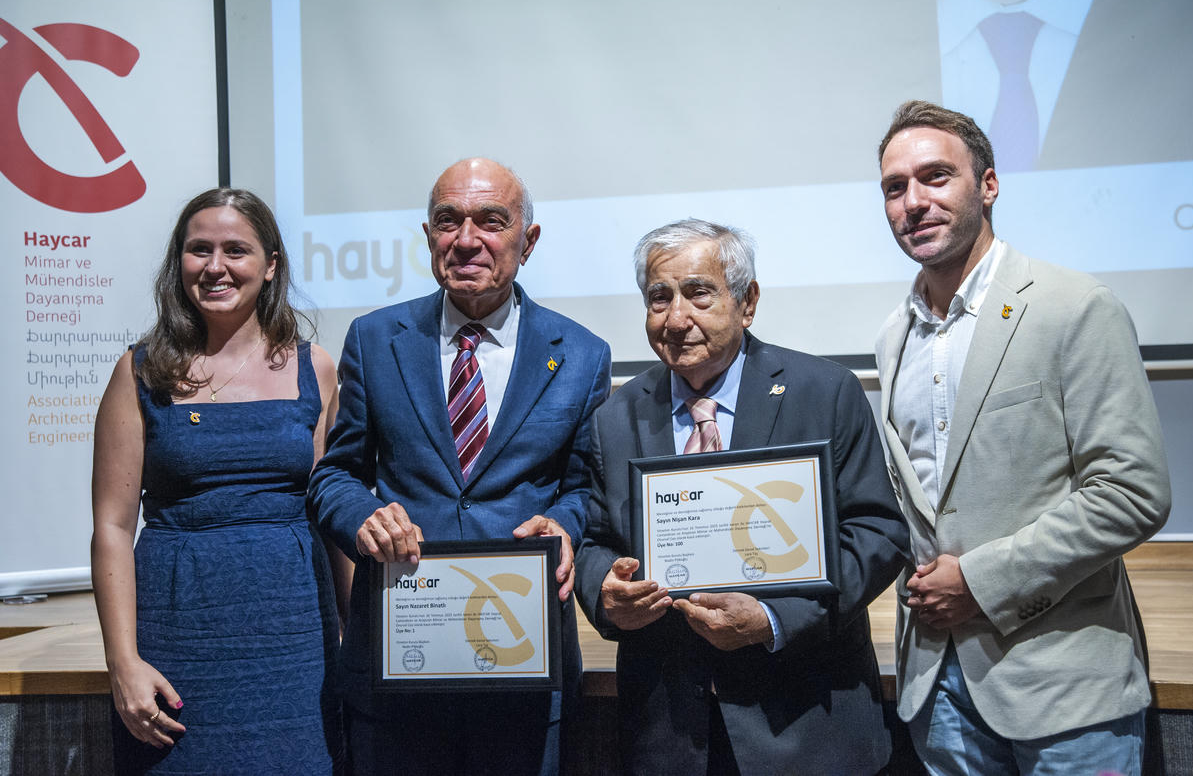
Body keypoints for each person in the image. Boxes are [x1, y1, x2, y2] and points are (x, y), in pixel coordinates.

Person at [874, 100, 1171, 775]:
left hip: (1063, 690)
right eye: (896, 187)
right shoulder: (892, 338)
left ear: (988, 184)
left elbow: (1133, 491)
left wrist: (978, 581)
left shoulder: (1072, 306)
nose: (914, 202)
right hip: (936, 687)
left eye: (936, 177)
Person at [309, 157, 612, 775]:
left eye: (491, 221)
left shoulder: (581, 354)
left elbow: (587, 487)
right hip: (401, 658)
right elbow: (333, 476)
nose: (466, 239)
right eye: (448, 221)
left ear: (528, 241)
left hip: (525, 662)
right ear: (428, 238)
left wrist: (566, 525)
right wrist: (364, 517)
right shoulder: (375, 340)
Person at [574, 219, 909, 774]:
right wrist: (606, 593)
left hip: (805, 727)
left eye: (698, 293)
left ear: (747, 302)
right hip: (670, 735)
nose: (676, 318)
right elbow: (593, 542)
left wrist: (774, 619)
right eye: (659, 298)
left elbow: (877, 533)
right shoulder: (616, 417)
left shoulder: (824, 393)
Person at [91, 188, 345, 773]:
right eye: (198, 250)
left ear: (271, 264)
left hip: (295, 635)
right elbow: (111, 525)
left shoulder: (317, 367)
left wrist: (357, 637)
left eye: (236, 250)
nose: (215, 267)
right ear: (178, 262)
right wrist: (123, 662)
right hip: (178, 633)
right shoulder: (140, 370)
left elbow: (330, 512)